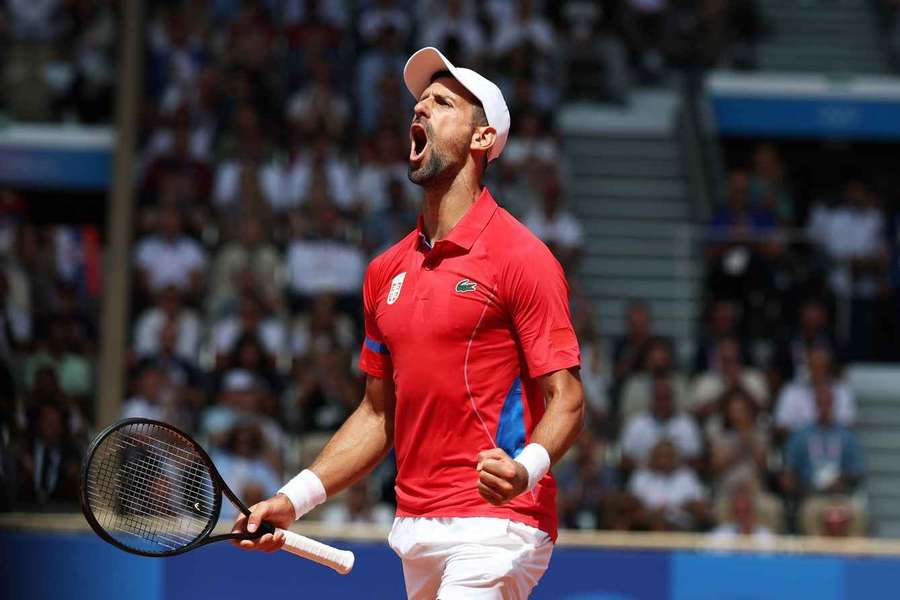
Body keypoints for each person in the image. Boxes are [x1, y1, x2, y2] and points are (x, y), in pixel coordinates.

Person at [233, 47, 584, 600]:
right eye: (418, 104)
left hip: (499, 523)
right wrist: (292, 499)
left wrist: (526, 468)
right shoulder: (384, 271)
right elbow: (377, 413)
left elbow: (566, 397)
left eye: (442, 103)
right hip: (416, 527)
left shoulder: (523, 257)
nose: (419, 111)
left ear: (482, 139)